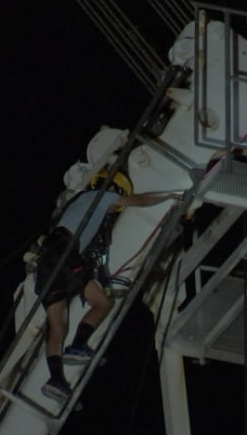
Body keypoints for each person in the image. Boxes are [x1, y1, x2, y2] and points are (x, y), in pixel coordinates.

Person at [37, 169, 182, 404]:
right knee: (102, 302)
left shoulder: (78, 203)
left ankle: (56, 379)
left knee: (57, 328)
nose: (116, 207)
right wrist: (169, 196)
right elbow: (141, 201)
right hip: (65, 253)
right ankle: (78, 345)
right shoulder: (102, 194)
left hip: (48, 263)